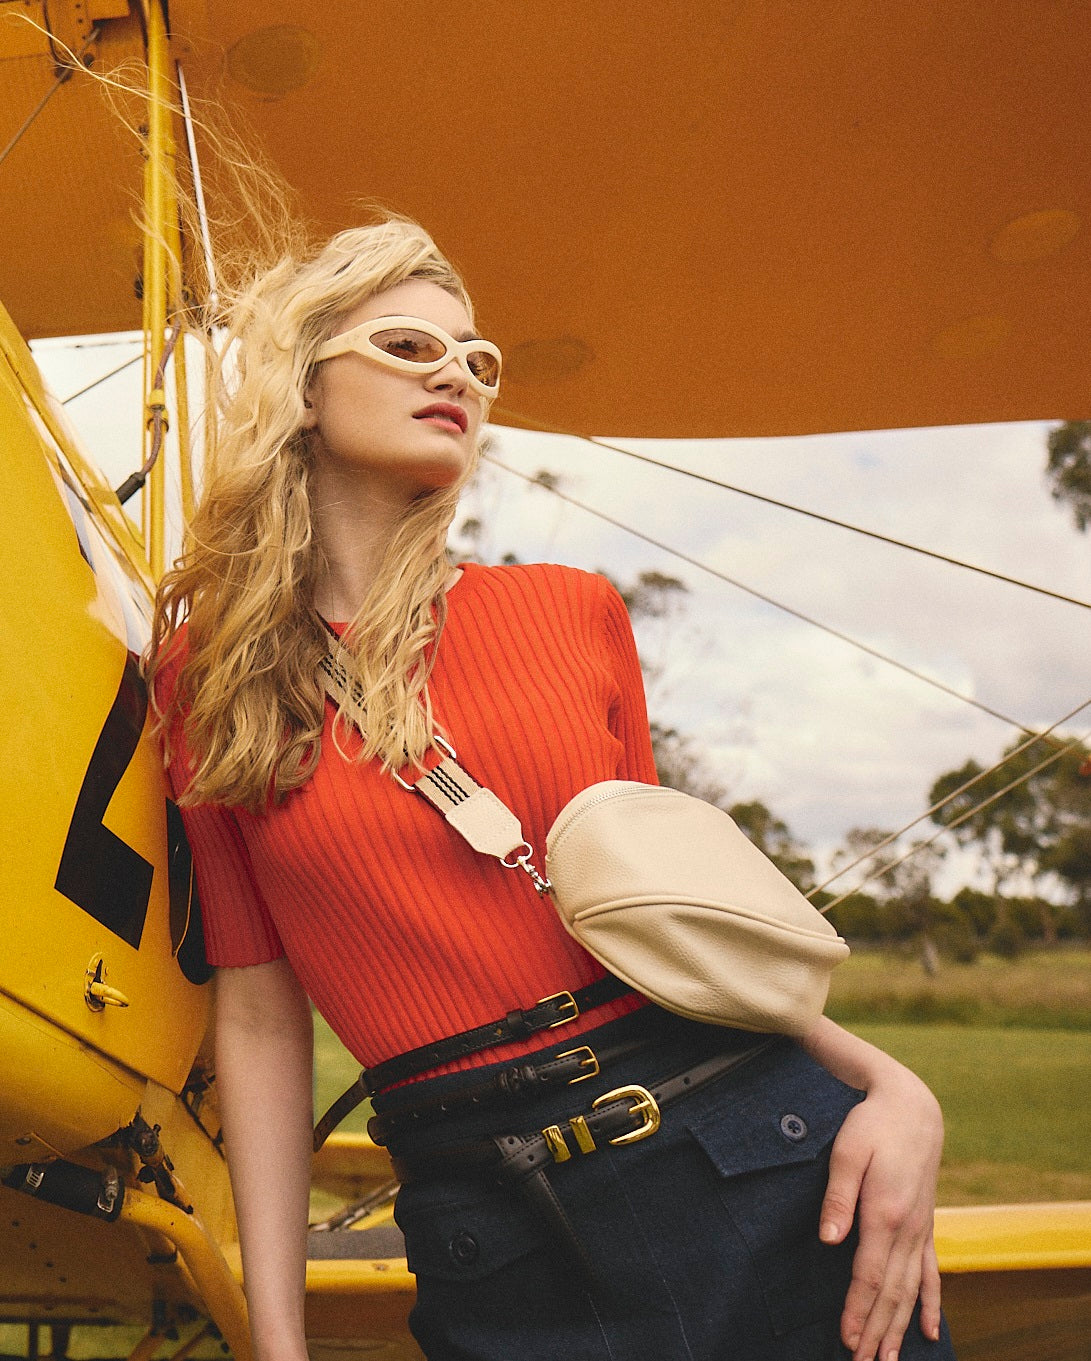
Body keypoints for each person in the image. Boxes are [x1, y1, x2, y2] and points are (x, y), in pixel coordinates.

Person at [149, 216, 954, 1361]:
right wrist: (279, 1337)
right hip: (485, 1221)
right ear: (302, 384)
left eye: (477, 362)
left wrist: (888, 1083)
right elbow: (260, 1010)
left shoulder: (571, 611)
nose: (459, 378)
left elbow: (678, 931)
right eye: (409, 347)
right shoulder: (204, 676)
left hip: (755, 1156)